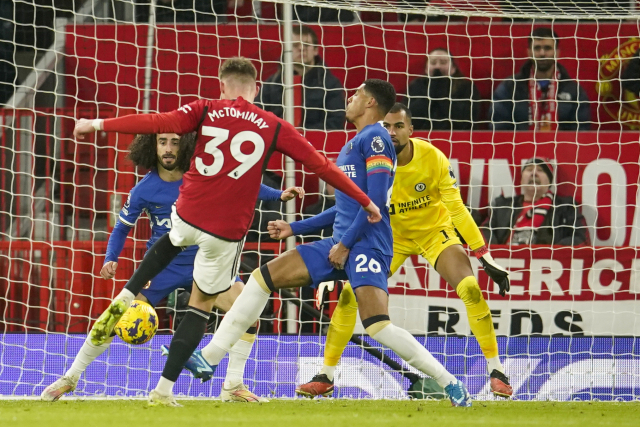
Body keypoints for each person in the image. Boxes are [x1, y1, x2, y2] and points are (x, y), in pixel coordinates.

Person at [72, 57, 380, 407]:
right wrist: (364, 200)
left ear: (221, 86)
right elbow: (320, 165)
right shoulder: (273, 124)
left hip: (186, 221)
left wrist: (96, 123)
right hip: (222, 235)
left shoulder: (205, 109)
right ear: (257, 88)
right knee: (204, 308)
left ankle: (76, 371)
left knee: (161, 267)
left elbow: (156, 121)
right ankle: (164, 391)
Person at [180, 80, 475, 407]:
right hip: (341, 242)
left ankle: (449, 382)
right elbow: (346, 206)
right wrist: (296, 228)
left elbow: (374, 202)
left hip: (367, 245)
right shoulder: (355, 142)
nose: (350, 98)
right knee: (262, 278)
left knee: (378, 326)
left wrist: (346, 245)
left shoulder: (376, 138)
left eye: (357, 94)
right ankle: (210, 356)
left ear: (370, 102)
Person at [40, 131, 305, 403]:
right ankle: (70, 377)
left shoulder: (203, 174)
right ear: (152, 147)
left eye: (175, 143)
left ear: (186, 146)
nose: (168, 149)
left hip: (207, 262)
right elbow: (121, 228)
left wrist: (279, 194)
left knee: (248, 314)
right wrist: (111, 257)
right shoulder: (144, 188)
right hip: (163, 266)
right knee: (115, 316)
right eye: (163, 142)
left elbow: (242, 184)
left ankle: (233, 385)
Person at [293, 103, 512, 399]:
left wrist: (483, 255)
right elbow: (347, 209)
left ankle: (496, 371)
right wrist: (336, 259)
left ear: (411, 130)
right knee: (348, 297)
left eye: (398, 126)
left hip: (434, 232)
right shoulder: (371, 158)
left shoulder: (433, 158)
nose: (392, 132)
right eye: (387, 127)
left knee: (471, 288)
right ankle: (326, 375)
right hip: (390, 237)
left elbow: (457, 210)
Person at [490, 27, 591, 131]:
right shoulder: (510, 87)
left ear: (557, 53)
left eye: (547, 48)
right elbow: (498, 128)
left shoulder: (574, 91)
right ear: (529, 52)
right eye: (537, 48)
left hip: (561, 147)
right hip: (520, 146)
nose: (542, 53)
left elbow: (581, 132)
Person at [480, 157, 589, 246]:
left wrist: (553, 254)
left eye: (540, 170)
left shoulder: (566, 207)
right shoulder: (502, 206)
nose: (534, 173)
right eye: (529, 169)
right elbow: (483, 232)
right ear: (521, 180)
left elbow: (581, 238)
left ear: (549, 181)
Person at [256, 25, 346, 130]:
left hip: (317, 142)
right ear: (287, 50)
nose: (301, 48)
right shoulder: (272, 83)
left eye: (306, 45)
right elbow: (258, 116)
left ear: (316, 50)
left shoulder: (330, 84)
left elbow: (335, 122)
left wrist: (301, 135)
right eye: (295, 45)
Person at [404, 49, 480, 131]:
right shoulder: (416, 86)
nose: (438, 66)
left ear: (453, 68)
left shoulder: (466, 87)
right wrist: (431, 94)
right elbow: (408, 115)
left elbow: (468, 118)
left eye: (443, 62)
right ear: (426, 68)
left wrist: (442, 95)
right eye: (433, 63)